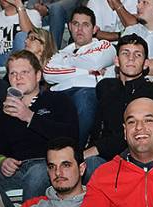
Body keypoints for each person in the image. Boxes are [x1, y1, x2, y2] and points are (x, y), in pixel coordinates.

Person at [0, 50, 78, 207]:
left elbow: (70, 137)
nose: (18, 78)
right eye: (13, 73)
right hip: (16, 171)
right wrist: (2, 161)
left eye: (25, 72)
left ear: (38, 75)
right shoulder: (5, 111)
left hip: (47, 165)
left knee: (37, 173)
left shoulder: (58, 100)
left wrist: (29, 116)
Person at [86, 33, 153, 170]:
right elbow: (97, 126)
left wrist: (92, 150)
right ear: (117, 61)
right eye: (125, 53)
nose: (131, 58)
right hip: (101, 156)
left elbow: (133, 136)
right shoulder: (105, 87)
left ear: (146, 63)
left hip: (135, 156)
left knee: (92, 164)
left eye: (138, 55)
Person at [43, 6, 116, 147]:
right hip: (61, 94)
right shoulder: (62, 52)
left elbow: (95, 62)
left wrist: (67, 62)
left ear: (95, 29)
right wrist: (87, 71)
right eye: (76, 24)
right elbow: (48, 73)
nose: (79, 29)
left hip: (89, 93)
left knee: (84, 97)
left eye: (85, 25)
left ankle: (75, 149)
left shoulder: (105, 45)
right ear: (70, 26)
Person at [0, 26, 56, 113]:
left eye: (32, 38)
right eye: (27, 38)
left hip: (40, 107)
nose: (26, 41)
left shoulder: (53, 67)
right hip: (14, 101)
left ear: (43, 45)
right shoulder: (17, 66)